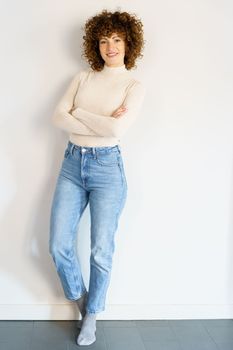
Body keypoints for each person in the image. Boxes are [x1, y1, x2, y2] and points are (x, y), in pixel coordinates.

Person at [49, 9, 146, 346]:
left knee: (101, 250)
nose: (110, 46)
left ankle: (92, 316)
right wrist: (99, 120)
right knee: (58, 244)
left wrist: (80, 113)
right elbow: (57, 117)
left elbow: (117, 129)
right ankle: (82, 301)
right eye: (104, 40)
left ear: (128, 43)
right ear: (96, 44)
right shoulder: (82, 78)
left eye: (117, 39)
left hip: (107, 168)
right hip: (72, 164)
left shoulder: (133, 85)